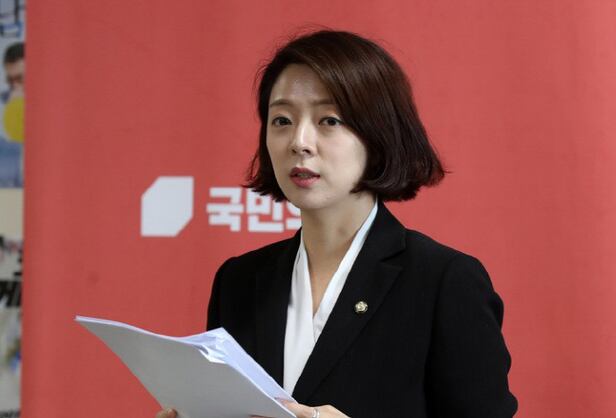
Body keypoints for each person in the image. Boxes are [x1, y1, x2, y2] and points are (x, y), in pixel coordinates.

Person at [157, 30, 517, 418]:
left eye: (329, 120)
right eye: (282, 120)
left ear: (379, 134)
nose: (299, 141)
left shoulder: (444, 280)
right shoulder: (239, 280)